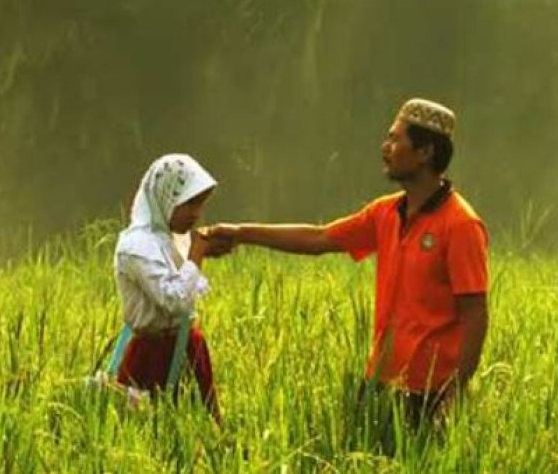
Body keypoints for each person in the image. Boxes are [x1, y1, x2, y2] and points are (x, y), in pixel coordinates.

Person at [208, 99, 489, 427]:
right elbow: (318, 238)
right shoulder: (385, 213)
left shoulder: (461, 225)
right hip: (379, 383)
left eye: (396, 139)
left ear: (425, 151)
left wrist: (454, 394)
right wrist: (241, 233)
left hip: (430, 392)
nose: (385, 147)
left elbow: (475, 315)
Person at [114, 154, 230, 423]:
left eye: (200, 205)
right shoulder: (137, 247)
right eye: (189, 203)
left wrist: (205, 251)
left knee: (203, 431)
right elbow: (174, 299)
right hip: (153, 355)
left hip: (187, 346)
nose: (196, 213)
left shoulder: (167, 239)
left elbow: (181, 275)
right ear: (166, 198)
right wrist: (199, 252)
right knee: (151, 430)